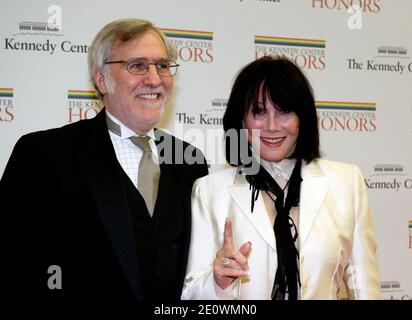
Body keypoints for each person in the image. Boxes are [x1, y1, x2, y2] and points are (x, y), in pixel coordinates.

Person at [0, 18, 208, 300]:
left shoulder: (191, 161)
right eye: (137, 66)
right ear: (101, 79)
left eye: (162, 65)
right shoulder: (44, 155)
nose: (155, 79)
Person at [181, 56, 381, 300]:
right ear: (241, 121)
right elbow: (191, 294)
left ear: (302, 118)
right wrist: (218, 283)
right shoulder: (209, 191)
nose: (272, 126)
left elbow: (364, 286)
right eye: (259, 111)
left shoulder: (347, 182)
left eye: (285, 111)